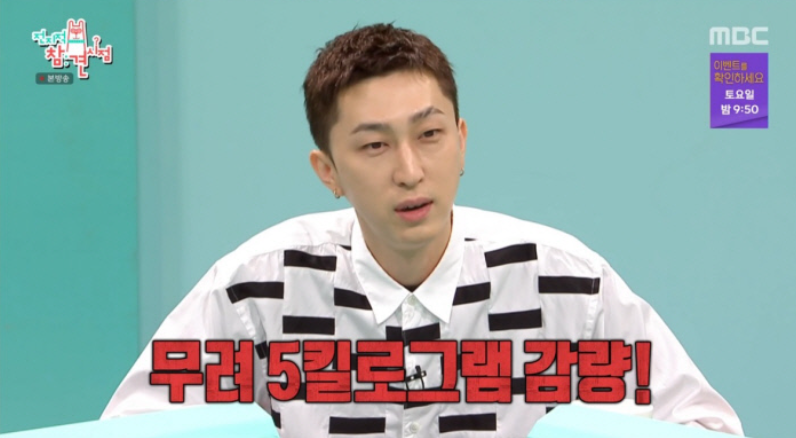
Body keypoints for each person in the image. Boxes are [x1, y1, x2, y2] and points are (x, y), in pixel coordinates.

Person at [102, 23, 744, 437]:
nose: (410, 171)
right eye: (374, 145)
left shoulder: (565, 284)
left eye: (430, 134)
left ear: (462, 141)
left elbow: (705, 425)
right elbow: (134, 429)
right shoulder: (256, 292)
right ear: (328, 171)